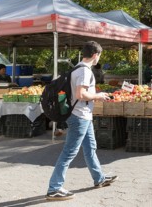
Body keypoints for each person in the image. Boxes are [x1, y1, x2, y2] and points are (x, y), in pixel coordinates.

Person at [46, 41, 117, 200]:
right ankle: (54, 188)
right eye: (99, 55)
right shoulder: (85, 71)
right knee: (69, 152)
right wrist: (98, 95)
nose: (99, 58)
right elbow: (80, 94)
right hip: (79, 117)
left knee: (90, 147)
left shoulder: (76, 68)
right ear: (95, 55)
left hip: (83, 116)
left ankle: (99, 178)